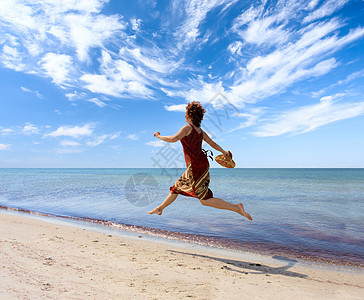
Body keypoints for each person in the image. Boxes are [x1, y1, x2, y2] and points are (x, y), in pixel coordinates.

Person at [148, 101, 252, 221]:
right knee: (177, 188)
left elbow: (173, 139)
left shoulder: (187, 128)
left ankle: (236, 208)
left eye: (186, 113)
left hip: (195, 167)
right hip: (201, 164)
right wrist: (224, 152)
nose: (185, 115)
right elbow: (212, 143)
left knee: (204, 200)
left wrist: (159, 136)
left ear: (190, 115)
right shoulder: (200, 131)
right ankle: (160, 208)